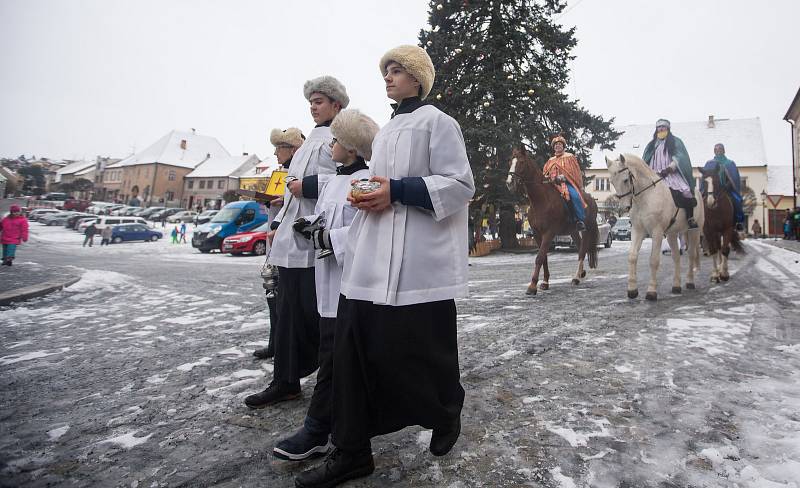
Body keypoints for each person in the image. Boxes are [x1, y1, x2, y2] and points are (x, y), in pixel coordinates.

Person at [295, 45, 475, 488]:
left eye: (397, 71)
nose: (388, 78)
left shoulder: (438, 123)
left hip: (417, 266)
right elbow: (382, 183)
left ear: (418, 78)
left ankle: (446, 408)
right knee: (354, 354)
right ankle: (352, 451)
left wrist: (395, 190)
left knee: (423, 353)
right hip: (370, 263)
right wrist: (370, 193)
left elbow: (459, 184)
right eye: (386, 72)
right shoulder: (390, 128)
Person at [274, 109, 378, 462]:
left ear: (350, 148)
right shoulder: (335, 181)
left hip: (350, 289)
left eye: (336, 140)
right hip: (327, 286)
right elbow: (325, 222)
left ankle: (318, 430)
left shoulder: (365, 180)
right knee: (333, 357)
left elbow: (369, 232)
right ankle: (341, 429)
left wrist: (329, 237)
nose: (330, 144)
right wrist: (310, 228)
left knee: (334, 360)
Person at [243, 75, 348, 409]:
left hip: (310, 245)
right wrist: (277, 223)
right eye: (311, 102)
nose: (314, 107)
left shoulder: (340, 137)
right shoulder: (308, 143)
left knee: (314, 318)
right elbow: (290, 188)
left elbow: (348, 176)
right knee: (288, 317)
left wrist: (310, 186)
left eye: (319, 101)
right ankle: (285, 380)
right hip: (289, 244)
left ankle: (332, 378)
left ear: (336, 104)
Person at [252, 127, 306, 361]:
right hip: (274, 239)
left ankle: (285, 346)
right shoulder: (280, 172)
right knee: (272, 294)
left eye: (279, 148)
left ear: (292, 148)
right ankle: (275, 341)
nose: (275, 153)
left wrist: (284, 199)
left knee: (284, 299)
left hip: (288, 241)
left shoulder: (297, 171)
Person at [642, 119, 698, 228]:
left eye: (663, 127)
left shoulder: (676, 142)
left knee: (685, 191)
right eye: (659, 127)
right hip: (654, 176)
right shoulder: (651, 145)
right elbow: (645, 160)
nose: (661, 129)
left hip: (671, 175)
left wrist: (669, 169)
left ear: (668, 129)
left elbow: (680, 158)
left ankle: (690, 218)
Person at [543, 135, 587, 231]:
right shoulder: (550, 160)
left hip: (566, 183)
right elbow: (545, 172)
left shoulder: (569, 157)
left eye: (559, 144)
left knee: (574, 196)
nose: (557, 146)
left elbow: (575, 172)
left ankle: (579, 220)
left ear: (563, 146)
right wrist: (547, 178)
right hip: (552, 184)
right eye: (556, 145)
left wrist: (564, 177)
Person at [702, 143, 744, 230]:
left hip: (726, 189)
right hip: (712, 189)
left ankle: (738, 221)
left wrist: (728, 185)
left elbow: (734, 178)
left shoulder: (730, 163)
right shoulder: (709, 163)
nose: (718, 151)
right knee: (700, 201)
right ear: (714, 151)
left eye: (720, 149)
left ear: (724, 151)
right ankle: (699, 220)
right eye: (716, 150)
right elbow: (705, 176)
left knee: (737, 200)